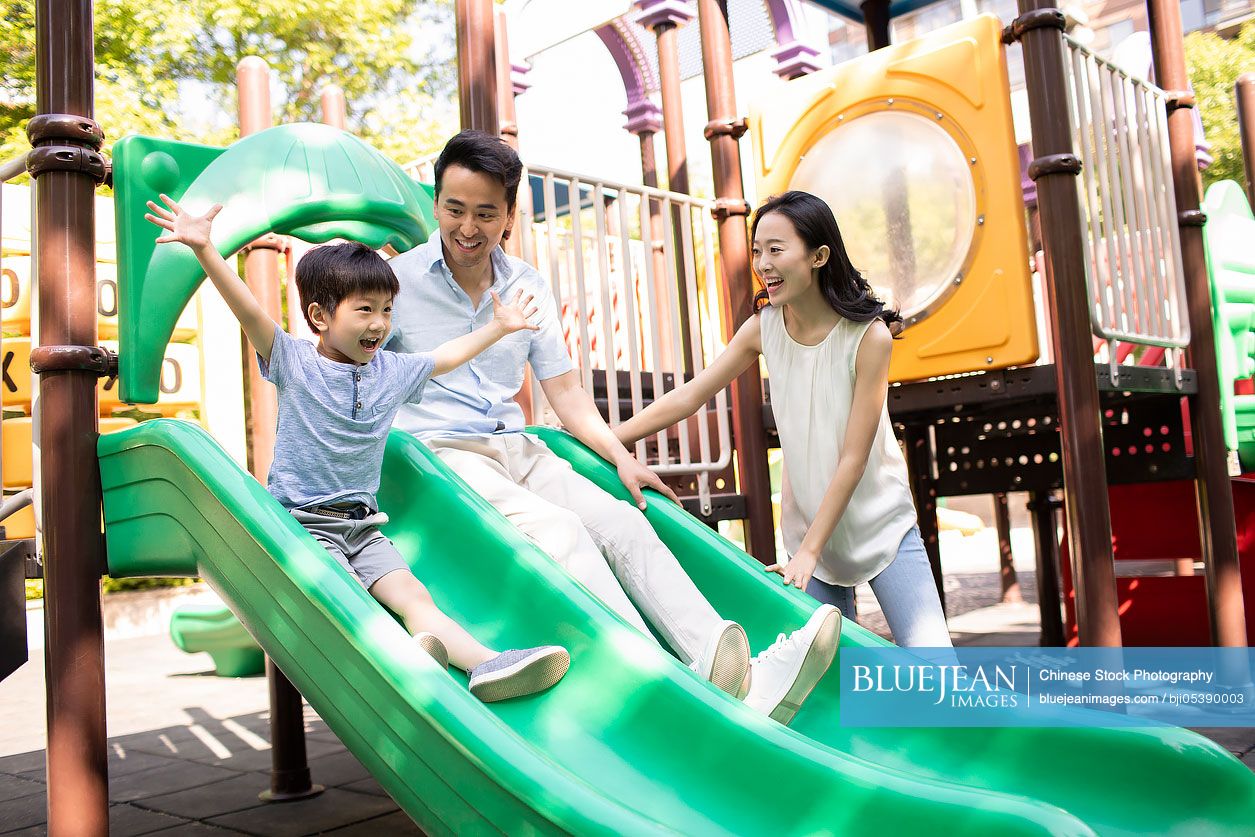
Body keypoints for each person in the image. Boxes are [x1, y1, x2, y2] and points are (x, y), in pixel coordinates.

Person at [385, 131, 839, 724]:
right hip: (439, 454)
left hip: (515, 445)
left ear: (509, 216)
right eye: (454, 209)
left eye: (485, 213)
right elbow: (346, 370)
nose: (467, 227)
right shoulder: (394, 282)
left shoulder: (526, 286)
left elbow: (567, 396)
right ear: (436, 205)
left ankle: (719, 663)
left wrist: (620, 457)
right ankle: (661, 679)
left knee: (624, 519)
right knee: (562, 531)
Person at [145, 194, 571, 702]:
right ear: (320, 316)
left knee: (412, 594)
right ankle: (402, 656)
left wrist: (498, 327)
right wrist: (205, 250)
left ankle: (486, 665)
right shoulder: (293, 362)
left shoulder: (391, 371)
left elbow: (444, 357)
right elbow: (249, 310)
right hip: (303, 526)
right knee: (346, 599)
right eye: (364, 310)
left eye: (387, 310)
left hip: (363, 526)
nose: (379, 324)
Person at [617, 191, 951, 648]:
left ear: (818, 256)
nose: (763, 263)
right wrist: (607, 437)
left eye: (776, 250)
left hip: (880, 526)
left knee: (937, 673)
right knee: (832, 688)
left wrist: (809, 553)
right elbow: (690, 396)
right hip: (807, 532)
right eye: (757, 252)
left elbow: (853, 458)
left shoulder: (869, 338)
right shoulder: (763, 328)